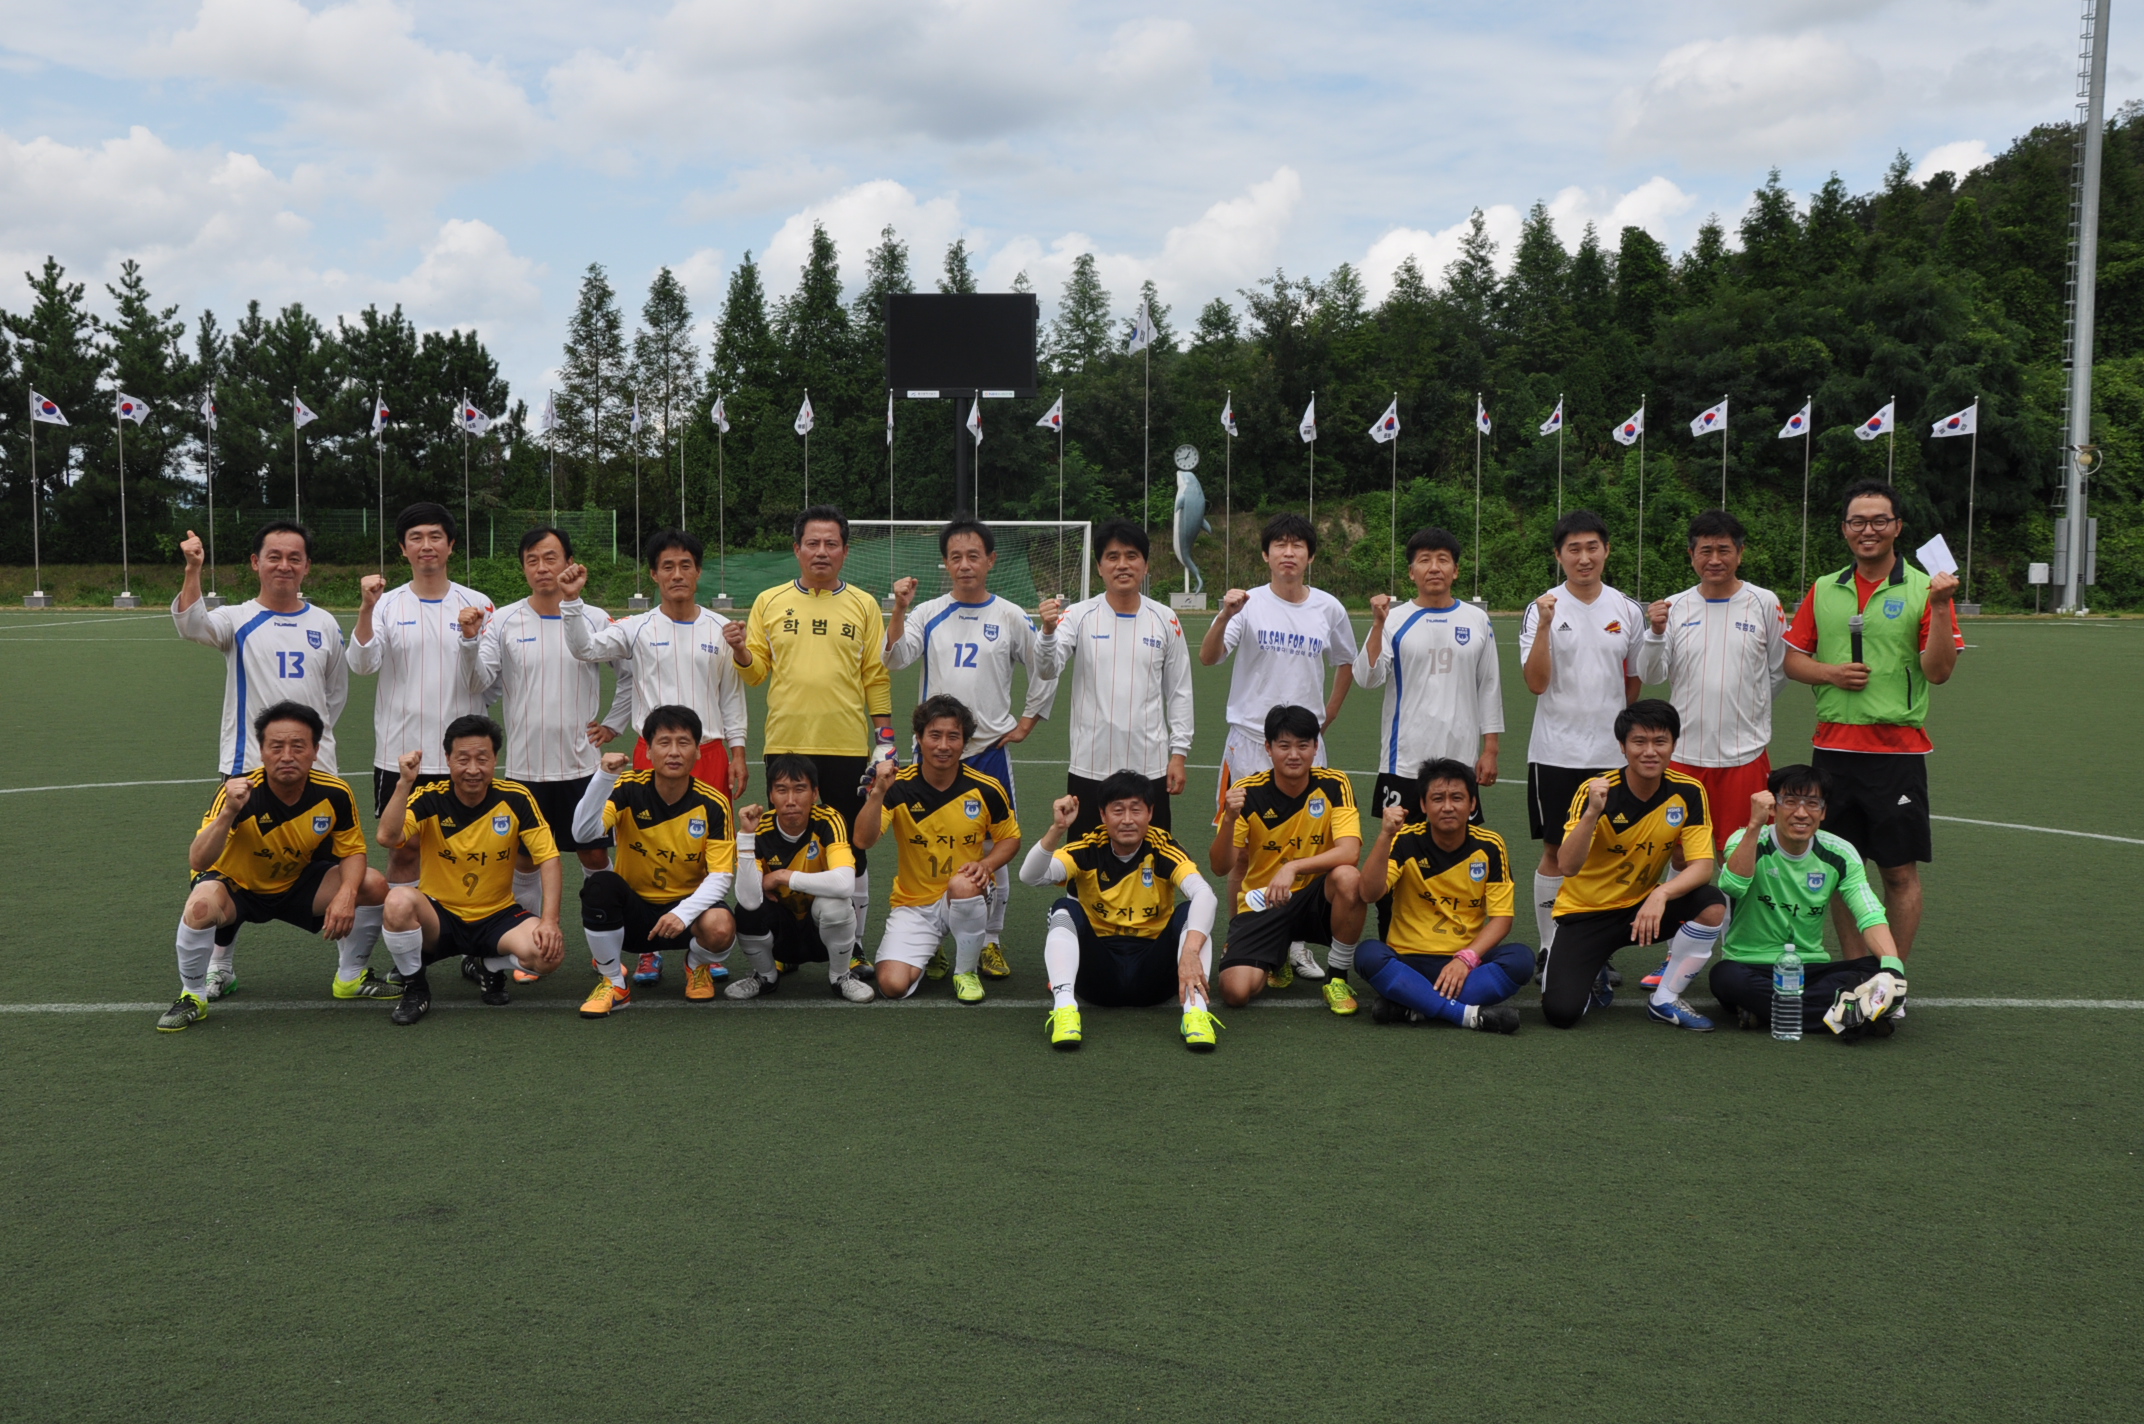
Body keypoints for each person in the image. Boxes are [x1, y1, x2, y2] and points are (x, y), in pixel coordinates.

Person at [1782, 479, 1963, 974]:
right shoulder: (1825, 588)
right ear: (1844, 528)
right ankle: (1854, 971)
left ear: (1897, 527)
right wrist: (1830, 674)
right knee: (1843, 871)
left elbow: (1939, 671)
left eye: (1879, 520)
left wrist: (1941, 606)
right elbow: (1793, 660)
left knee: (1898, 873)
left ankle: (1890, 979)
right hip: (1833, 751)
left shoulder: (1926, 588)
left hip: (1896, 753)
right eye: (1857, 521)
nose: (1868, 530)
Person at [171, 520, 356, 1000]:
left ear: (307, 566)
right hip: (247, 768)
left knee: (334, 864)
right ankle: (221, 966)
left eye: (295, 557)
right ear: (256, 562)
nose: (284, 565)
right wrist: (193, 568)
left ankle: (351, 968)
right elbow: (191, 624)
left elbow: (334, 694)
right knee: (233, 870)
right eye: (274, 556)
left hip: (317, 769)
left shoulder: (325, 624)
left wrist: (308, 746)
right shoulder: (237, 618)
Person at [560, 526, 748, 983]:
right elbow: (585, 648)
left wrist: (739, 751)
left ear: (698, 572)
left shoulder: (719, 630)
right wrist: (571, 602)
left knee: (705, 846)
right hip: (652, 752)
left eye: (686, 565)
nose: (677, 574)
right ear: (654, 575)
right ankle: (648, 945)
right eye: (668, 567)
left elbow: (731, 695)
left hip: (710, 751)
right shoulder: (636, 627)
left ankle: (700, 941)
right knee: (640, 843)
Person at [886, 517, 1064, 980]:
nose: (965, 565)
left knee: (993, 845)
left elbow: (1046, 667)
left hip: (987, 752)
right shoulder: (928, 612)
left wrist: (1029, 718)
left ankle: (990, 940)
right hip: (934, 754)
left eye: (973, 556)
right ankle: (934, 936)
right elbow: (896, 658)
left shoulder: (1010, 615)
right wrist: (899, 610)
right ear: (945, 564)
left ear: (991, 560)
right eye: (955, 557)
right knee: (928, 845)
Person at [155, 702, 391, 1032]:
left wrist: (347, 894)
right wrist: (229, 812)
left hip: (295, 883)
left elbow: (352, 852)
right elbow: (198, 860)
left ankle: (351, 978)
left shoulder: (335, 792)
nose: (287, 756)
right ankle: (193, 996)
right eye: (276, 746)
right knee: (200, 907)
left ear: (315, 751)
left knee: (373, 884)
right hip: (236, 888)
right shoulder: (239, 792)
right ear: (262, 751)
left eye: (298, 746)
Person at [461, 526, 635, 975]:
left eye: (551, 557)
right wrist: (469, 642)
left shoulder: (594, 618)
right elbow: (479, 682)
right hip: (525, 769)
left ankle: (606, 951)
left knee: (594, 856)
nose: (542, 568)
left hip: (582, 768)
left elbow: (630, 675)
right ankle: (529, 949)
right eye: (533, 560)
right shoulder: (503, 620)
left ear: (569, 563)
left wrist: (613, 724)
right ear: (523, 567)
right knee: (525, 860)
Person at [726, 505, 892, 945]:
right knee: (785, 845)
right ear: (797, 549)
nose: (822, 552)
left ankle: (854, 946)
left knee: (852, 847)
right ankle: (788, 943)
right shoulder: (770, 601)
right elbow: (756, 672)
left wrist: (885, 739)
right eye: (812, 543)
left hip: (846, 746)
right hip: (787, 743)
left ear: (845, 551)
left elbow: (875, 676)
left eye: (831, 544)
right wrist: (741, 650)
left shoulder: (864, 605)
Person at [1354, 525, 1503, 942]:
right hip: (1404, 762)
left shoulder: (1477, 619)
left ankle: (1453, 940)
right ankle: (1392, 941)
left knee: (1455, 853)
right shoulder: (1394, 618)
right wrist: (1377, 624)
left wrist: (1490, 748)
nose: (1434, 567)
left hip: (1459, 765)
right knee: (1395, 856)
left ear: (1456, 570)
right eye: (1424, 560)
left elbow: (1490, 685)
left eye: (1442, 560)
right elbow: (1367, 678)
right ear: (1411, 572)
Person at [1543, 699, 1726, 1032]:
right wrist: (1592, 813)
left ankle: (1665, 999)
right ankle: (1594, 968)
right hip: (1585, 913)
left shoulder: (1688, 791)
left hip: (1643, 908)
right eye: (1639, 742)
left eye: (1660, 741)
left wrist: (1661, 894)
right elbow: (1567, 866)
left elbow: (1702, 867)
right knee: (1561, 1014)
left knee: (1711, 904)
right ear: (1622, 746)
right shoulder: (1596, 791)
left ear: (1673, 745)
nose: (1650, 752)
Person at [375, 715, 564, 1026]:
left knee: (548, 956)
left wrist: (550, 921)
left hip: (497, 916)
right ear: (448, 759)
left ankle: (490, 965)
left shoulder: (516, 798)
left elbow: (549, 858)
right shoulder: (430, 797)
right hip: (440, 916)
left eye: (482, 759)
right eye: (463, 759)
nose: (473, 769)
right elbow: (387, 837)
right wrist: (404, 783)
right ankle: (416, 989)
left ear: (495, 760)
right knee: (397, 903)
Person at [349, 503, 499, 896]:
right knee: (404, 849)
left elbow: (484, 682)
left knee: (468, 849)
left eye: (435, 536)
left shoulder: (479, 604)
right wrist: (365, 608)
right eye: (416, 538)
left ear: (451, 545)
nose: (426, 545)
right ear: (403, 548)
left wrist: (470, 639)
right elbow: (362, 664)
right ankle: (406, 932)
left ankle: (468, 929)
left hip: (464, 756)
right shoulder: (385, 604)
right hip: (401, 754)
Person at [1019, 771, 1222, 1052]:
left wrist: (1189, 952)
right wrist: (1057, 829)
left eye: (1136, 810)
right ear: (1103, 815)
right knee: (1064, 909)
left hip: (1155, 977)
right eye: (1118, 810)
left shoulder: (1163, 847)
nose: (1127, 819)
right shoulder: (1088, 847)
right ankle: (1065, 1009)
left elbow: (1205, 894)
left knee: (1192, 912)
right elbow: (1030, 876)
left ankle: (1195, 1013)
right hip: (1098, 978)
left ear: (1150, 813)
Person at [1519, 510, 1642, 963]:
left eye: (1593, 547)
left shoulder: (1627, 609)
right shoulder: (1542, 608)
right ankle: (1550, 947)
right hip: (1555, 752)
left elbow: (1632, 682)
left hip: (1611, 757)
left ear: (1606, 550)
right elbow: (1536, 683)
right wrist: (1546, 626)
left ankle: (1594, 953)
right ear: (1559, 555)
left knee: (1604, 853)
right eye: (1574, 549)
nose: (1584, 557)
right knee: (1555, 850)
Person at [1711, 765, 1909, 1040]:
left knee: (1876, 968)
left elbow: (1869, 913)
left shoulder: (1839, 852)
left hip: (1810, 968)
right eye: (1790, 802)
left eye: (1812, 803)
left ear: (1823, 811)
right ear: (1774, 806)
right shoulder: (1748, 840)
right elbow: (1733, 886)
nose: (1801, 813)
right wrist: (1754, 825)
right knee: (1725, 978)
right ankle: (1848, 1017)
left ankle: (1765, 1010)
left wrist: (1892, 970)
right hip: (1750, 965)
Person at [851, 695, 1022, 1003]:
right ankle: (933, 949)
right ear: (918, 738)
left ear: (964, 743)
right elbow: (863, 841)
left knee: (963, 884)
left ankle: (965, 972)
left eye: (953, 736)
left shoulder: (986, 788)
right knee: (891, 986)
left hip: (967, 894)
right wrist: (877, 793)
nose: (943, 745)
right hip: (913, 903)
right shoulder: (898, 787)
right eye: (935, 735)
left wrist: (986, 865)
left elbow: (1010, 838)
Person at [569, 705, 738, 1018]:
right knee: (600, 885)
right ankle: (614, 983)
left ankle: (696, 965)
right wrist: (603, 778)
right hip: (635, 912)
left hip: (686, 913)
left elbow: (721, 876)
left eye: (683, 742)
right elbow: (583, 833)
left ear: (697, 752)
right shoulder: (627, 788)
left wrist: (683, 912)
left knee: (721, 927)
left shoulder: (713, 803)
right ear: (648, 751)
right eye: (664, 742)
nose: (674, 752)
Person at [1033, 519, 1195, 837]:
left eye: (1132, 556)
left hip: (1149, 767)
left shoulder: (1166, 619)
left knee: (1151, 858)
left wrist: (1178, 754)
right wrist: (1048, 632)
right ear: (1099, 567)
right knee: (1085, 859)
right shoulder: (1077, 615)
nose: (1122, 565)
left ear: (1146, 565)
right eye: (1112, 556)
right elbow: (1047, 669)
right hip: (1090, 766)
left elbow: (1180, 691)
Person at [1636, 509, 1788, 847]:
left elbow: (1779, 669)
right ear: (1692, 554)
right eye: (1706, 551)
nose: (1715, 560)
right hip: (1683, 754)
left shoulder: (1764, 602)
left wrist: (1750, 706)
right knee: (1679, 851)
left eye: (1724, 550)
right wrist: (1655, 633)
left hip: (1744, 755)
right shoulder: (1675, 606)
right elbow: (1651, 674)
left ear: (1740, 553)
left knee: (1739, 850)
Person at [1210, 704, 1366, 1015]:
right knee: (1235, 992)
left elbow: (1350, 852)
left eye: (1302, 745)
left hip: (1314, 898)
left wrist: (1292, 867)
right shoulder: (1247, 791)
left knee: (1349, 878)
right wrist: (1228, 819)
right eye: (1284, 746)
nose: (1294, 755)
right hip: (1263, 901)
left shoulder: (1335, 784)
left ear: (1315, 747)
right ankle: (1277, 955)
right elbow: (1219, 867)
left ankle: (1337, 977)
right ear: (1268, 748)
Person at [1354, 758, 1529, 1034]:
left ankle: (1412, 1005)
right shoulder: (1404, 839)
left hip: (1465, 966)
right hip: (1408, 961)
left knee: (1521, 959)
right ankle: (1465, 1015)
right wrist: (1385, 835)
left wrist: (1465, 959)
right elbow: (1368, 892)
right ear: (1423, 805)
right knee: (1368, 954)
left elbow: (1502, 919)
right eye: (1438, 798)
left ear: (1472, 804)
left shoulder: (1490, 845)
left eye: (1457, 798)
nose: (1447, 807)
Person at [1199, 510, 1358, 811]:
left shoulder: (1329, 608)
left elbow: (1346, 660)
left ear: (1310, 556)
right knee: (1238, 832)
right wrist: (1224, 617)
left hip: (1304, 745)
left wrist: (1329, 715)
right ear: (1265, 554)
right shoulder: (1246, 604)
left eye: (1297, 545)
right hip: (1250, 739)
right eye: (1280, 545)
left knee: (1309, 832)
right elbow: (1208, 657)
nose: (1288, 553)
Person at [723, 754, 873, 1003]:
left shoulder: (828, 820)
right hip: (782, 934)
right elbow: (749, 901)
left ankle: (840, 976)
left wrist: (781, 876)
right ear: (771, 795)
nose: (791, 800)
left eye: (800, 789)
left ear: (815, 794)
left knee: (836, 904)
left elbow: (845, 884)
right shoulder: (758, 829)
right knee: (746, 913)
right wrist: (746, 838)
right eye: (782, 790)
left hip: (820, 930)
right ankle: (765, 976)